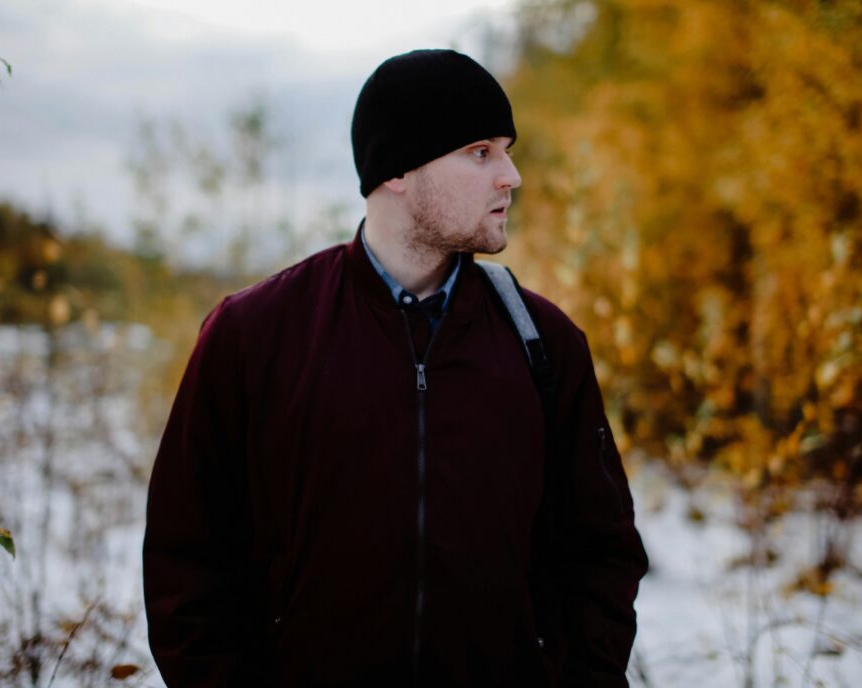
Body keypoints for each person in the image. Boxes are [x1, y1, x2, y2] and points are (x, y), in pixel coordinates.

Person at [143, 48, 648, 687]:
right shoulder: (254, 335)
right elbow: (187, 563)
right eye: (481, 152)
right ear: (399, 171)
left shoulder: (543, 342)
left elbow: (601, 555)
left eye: (506, 151)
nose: (511, 177)